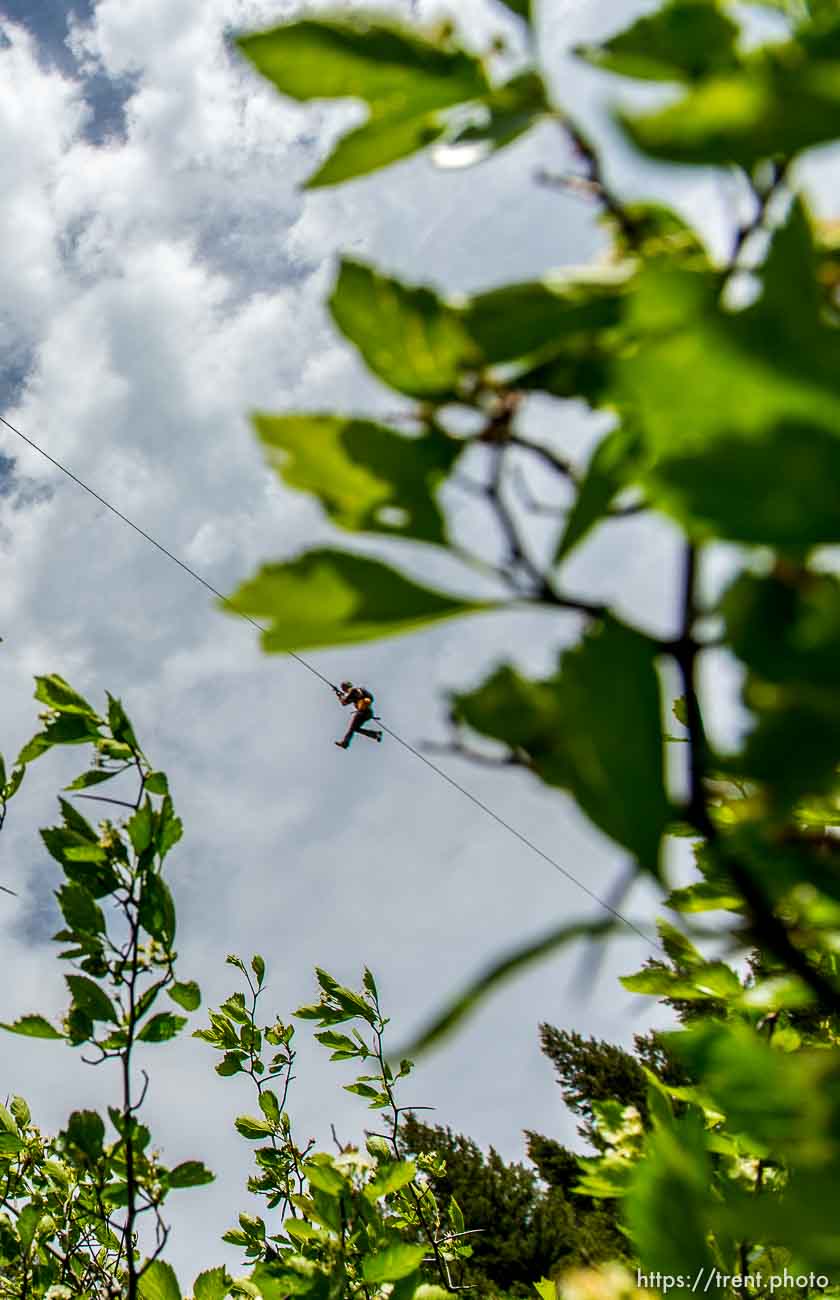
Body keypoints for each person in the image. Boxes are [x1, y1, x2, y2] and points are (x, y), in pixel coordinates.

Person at [334, 681, 383, 749]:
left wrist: (339, 695)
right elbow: (348, 700)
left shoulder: (352, 691)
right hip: (368, 712)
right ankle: (375, 734)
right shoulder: (359, 691)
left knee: (351, 729)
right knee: (355, 728)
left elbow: (344, 702)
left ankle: (345, 743)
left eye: (343, 688)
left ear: (345, 687)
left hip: (362, 712)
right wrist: (341, 695)